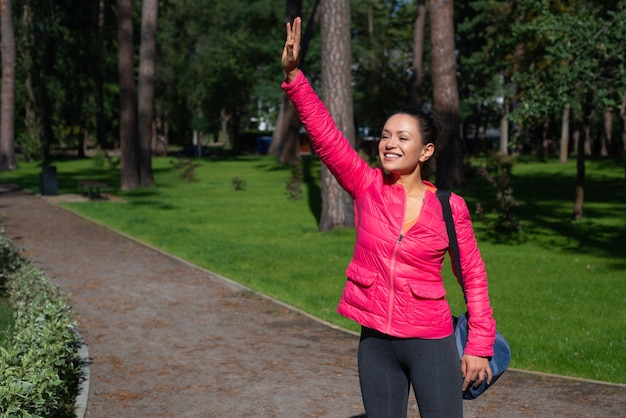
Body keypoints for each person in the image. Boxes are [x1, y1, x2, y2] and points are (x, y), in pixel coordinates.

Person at [281, 17, 496, 418]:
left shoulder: (450, 207)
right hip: (376, 341)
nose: (389, 143)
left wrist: (479, 347)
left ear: (426, 152)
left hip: (431, 341)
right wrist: (295, 77)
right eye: (384, 135)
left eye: (401, 137)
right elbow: (326, 136)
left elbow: (473, 277)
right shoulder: (366, 186)